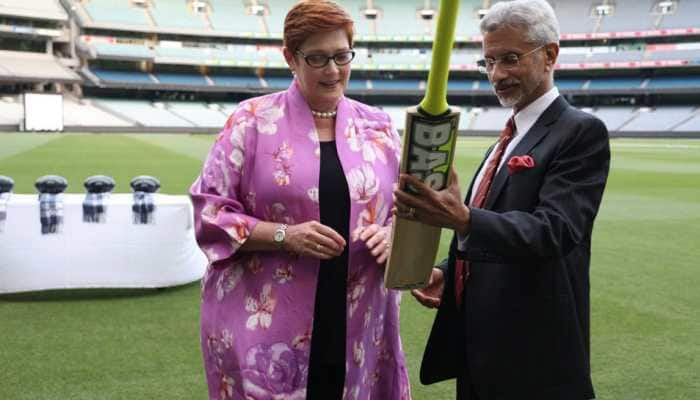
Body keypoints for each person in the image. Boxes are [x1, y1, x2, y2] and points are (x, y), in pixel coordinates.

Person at [190, 1, 411, 399]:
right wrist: (283, 236)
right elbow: (209, 212)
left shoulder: (379, 127)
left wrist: (394, 233)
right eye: (317, 58)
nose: (332, 70)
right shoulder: (251, 121)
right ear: (290, 57)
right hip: (267, 324)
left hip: (360, 321)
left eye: (342, 56)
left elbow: (407, 208)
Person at [394, 1, 610, 399]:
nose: (497, 75)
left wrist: (462, 219)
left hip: (534, 360)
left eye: (510, 59)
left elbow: (553, 231)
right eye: (488, 62)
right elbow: (491, 222)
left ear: (550, 55)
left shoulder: (581, 131)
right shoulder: (508, 137)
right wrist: (448, 269)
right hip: (479, 353)